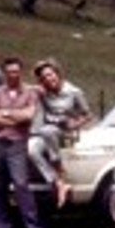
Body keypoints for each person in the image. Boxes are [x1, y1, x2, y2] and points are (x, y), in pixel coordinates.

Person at [0, 56, 45, 228]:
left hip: (18, 143)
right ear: (4, 73)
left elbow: (29, 115)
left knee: (21, 185)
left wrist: (5, 113)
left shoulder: (29, 93)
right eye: (10, 72)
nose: (14, 75)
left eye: (17, 72)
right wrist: (14, 118)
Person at [29, 58, 94, 208]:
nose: (49, 79)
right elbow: (26, 88)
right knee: (32, 149)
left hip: (68, 135)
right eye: (44, 77)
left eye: (50, 74)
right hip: (50, 135)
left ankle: (60, 173)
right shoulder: (44, 92)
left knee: (46, 131)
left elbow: (88, 115)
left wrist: (75, 124)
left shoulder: (74, 91)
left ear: (57, 73)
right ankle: (57, 182)